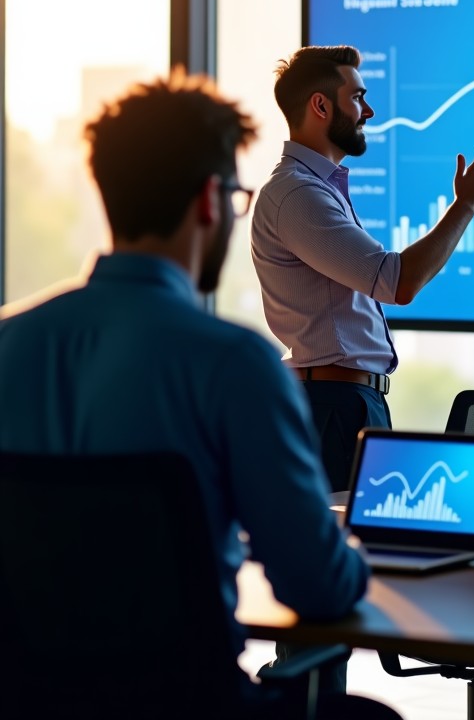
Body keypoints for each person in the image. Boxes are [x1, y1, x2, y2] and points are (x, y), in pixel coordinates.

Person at [0, 71, 400, 719]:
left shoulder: (8, 344)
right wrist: (356, 548)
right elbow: (318, 586)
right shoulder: (233, 364)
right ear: (211, 201)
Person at [251, 45, 474, 492]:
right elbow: (397, 282)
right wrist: (465, 208)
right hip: (334, 407)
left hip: (346, 401)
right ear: (321, 106)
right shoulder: (298, 196)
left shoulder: (314, 189)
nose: (370, 110)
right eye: (358, 97)